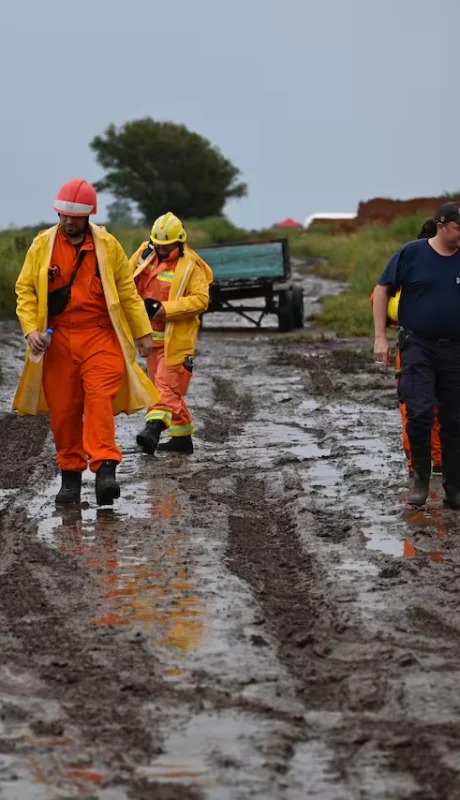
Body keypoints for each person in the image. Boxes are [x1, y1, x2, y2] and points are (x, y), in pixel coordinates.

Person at [14, 179, 158, 506]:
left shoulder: (108, 246)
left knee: (98, 401)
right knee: (64, 412)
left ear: (89, 216)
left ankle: (106, 470)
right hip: (57, 339)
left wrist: (142, 333)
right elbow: (25, 291)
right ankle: (71, 478)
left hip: (100, 336)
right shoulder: (42, 245)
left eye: (75, 216)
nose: (68, 221)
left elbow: (126, 291)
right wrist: (30, 331)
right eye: (63, 215)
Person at [373, 201, 460, 508]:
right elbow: (382, 289)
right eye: (459, 227)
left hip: (455, 348)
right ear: (442, 225)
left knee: (454, 419)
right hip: (417, 345)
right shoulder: (412, 253)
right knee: (420, 411)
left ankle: (454, 487)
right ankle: (421, 477)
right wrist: (380, 337)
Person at [129, 212, 213, 456]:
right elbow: (125, 278)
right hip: (149, 338)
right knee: (164, 386)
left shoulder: (191, 267)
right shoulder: (146, 253)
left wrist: (162, 309)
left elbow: (200, 300)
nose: (162, 250)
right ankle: (181, 437)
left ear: (179, 242)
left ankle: (152, 429)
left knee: (163, 388)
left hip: (176, 340)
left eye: (167, 247)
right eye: (159, 245)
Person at [370, 219, 442, 475]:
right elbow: (380, 295)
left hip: (419, 345)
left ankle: (425, 464)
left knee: (418, 407)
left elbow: (380, 299)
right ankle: (430, 464)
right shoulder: (413, 262)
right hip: (417, 347)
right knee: (422, 407)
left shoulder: (409, 264)